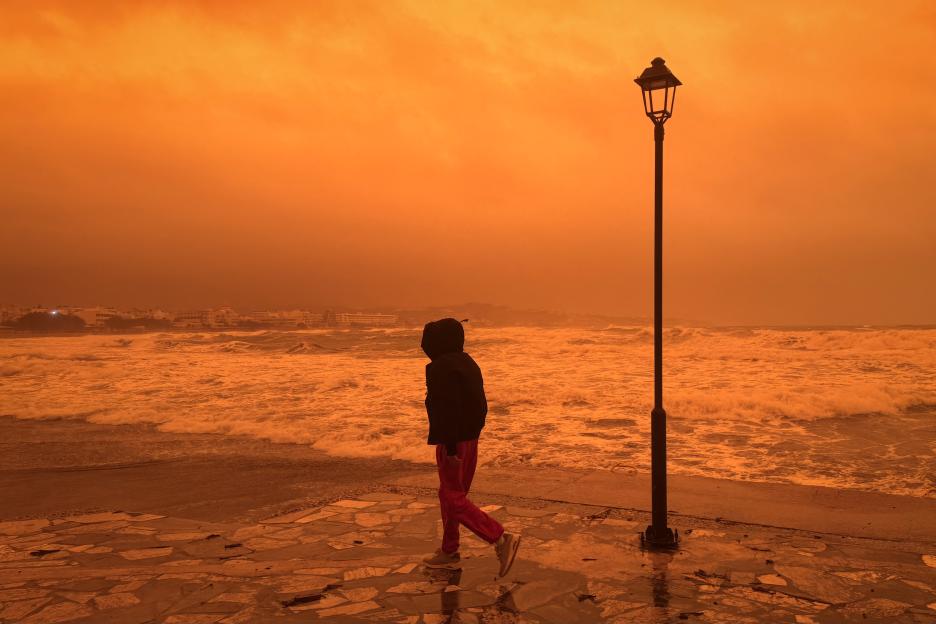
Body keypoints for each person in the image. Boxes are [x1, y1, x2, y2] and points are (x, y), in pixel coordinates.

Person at [420, 318, 520, 576]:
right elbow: (480, 405)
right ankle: (449, 550)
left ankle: (500, 537)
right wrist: (469, 437)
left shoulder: (440, 368)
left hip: (452, 443)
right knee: (452, 496)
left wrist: (451, 449)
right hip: (470, 439)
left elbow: (445, 410)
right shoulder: (468, 363)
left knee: (452, 498)